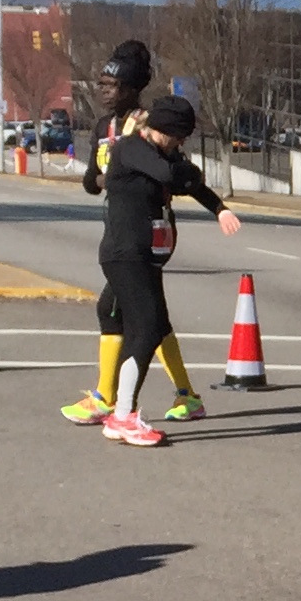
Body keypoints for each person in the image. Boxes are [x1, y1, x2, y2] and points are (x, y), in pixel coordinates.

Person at [65, 43, 212, 426]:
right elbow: (90, 182)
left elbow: (177, 173)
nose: (104, 90)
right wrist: (117, 173)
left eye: (112, 85)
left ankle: (107, 399)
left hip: (148, 230)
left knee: (123, 312)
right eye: (101, 83)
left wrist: (216, 205)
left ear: (132, 89)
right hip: (120, 225)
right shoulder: (104, 128)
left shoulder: (151, 126)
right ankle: (186, 395)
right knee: (148, 316)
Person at [94, 93, 240, 448]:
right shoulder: (132, 148)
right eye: (178, 137)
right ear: (162, 129)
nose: (180, 144)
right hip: (125, 254)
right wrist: (187, 172)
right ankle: (123, 414)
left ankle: (133, 410)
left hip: (146, 255)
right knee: (143, 331)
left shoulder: (164, 154)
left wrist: (219, 208)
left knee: (155, 326)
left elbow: (190, 182)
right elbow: (170, 175)